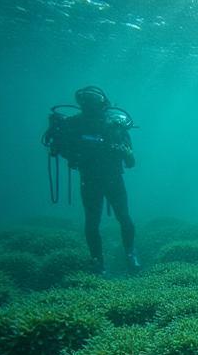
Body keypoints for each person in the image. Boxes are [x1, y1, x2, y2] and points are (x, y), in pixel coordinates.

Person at [44, 86, 139, 274]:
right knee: (100, 220)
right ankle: (100, 261)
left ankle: (127, 254)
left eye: (93, 99)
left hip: (106, 179)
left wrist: (124, 153)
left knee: (118, 218)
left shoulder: (115, 125)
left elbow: (130, 162)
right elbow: (58, 148)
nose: (90, 104)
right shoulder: (73, 124)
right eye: (86, 100)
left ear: (103, 102)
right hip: (94, 179)